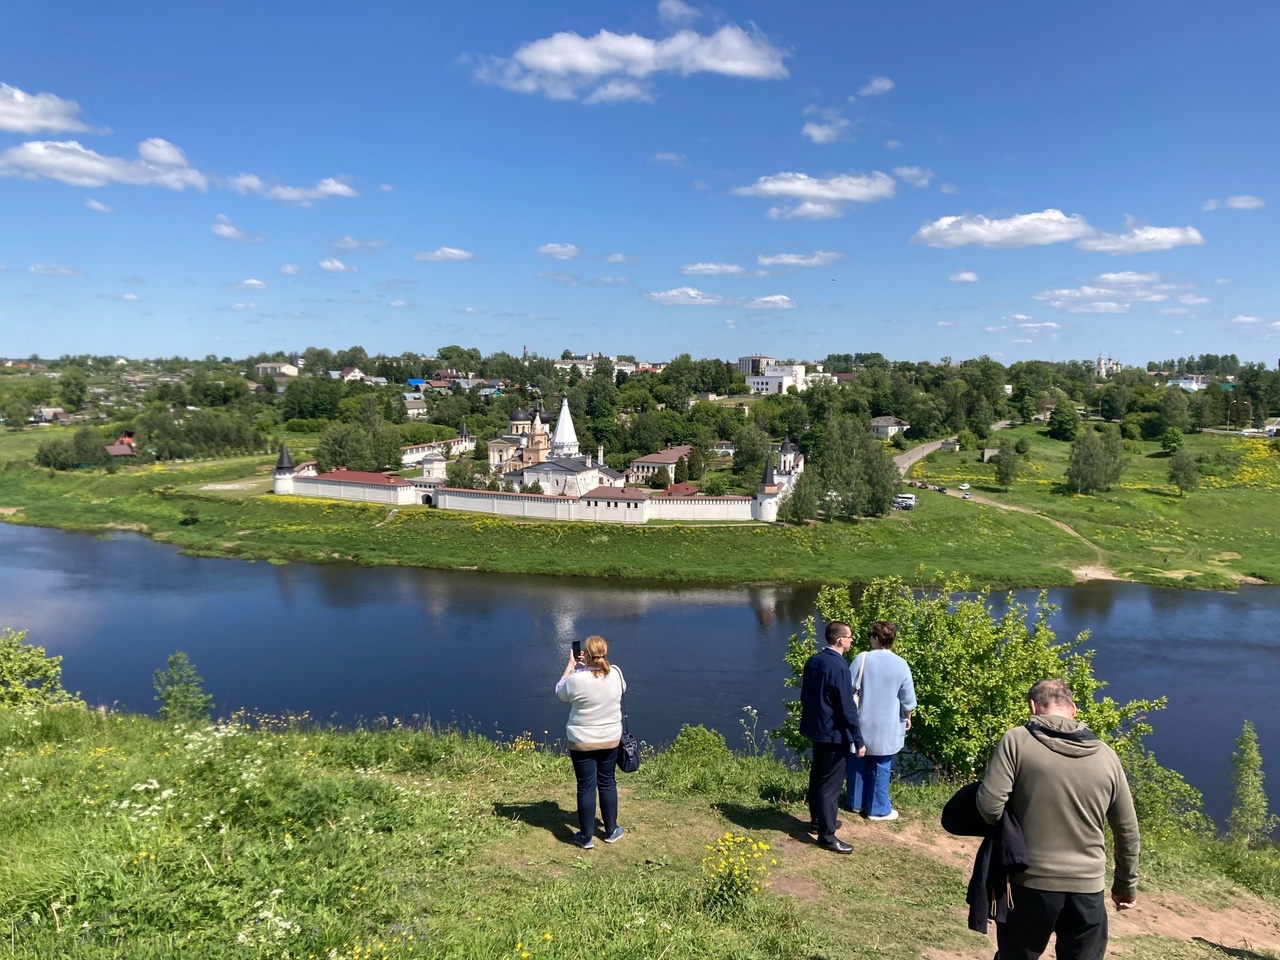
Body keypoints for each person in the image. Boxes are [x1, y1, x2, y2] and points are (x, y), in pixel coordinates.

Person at [977, 679, 1140, 960]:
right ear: (1073, 709)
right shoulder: (1107, 756)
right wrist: (1125, 886)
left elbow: (990, 807)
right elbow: (1127, 830)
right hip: (1087, 888)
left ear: (1032, 707)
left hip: (1029, 883)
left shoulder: (1017, 740)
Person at [799, 620, 866, 854]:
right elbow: (847, 707)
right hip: (834, 734)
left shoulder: (814, 661)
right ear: (839, 640)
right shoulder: (839, 667)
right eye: (849, 637)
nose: (851, 640)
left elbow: (805, 697)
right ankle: (827, 835)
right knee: (830, 785)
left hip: (817, 730)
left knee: (817, 776)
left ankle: (818, 821)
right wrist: (858, 739)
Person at [555, 635, 626, 850]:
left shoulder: (576, 679)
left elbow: (560, 692)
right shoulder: (615, 673)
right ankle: (611, 830)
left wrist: (571, 666)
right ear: (604, 652)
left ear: (584, 654)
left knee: (585, 786)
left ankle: (586, 837)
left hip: (582, 741)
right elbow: (622, 688)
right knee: (607, 782)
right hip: (610, 739)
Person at [845, 620, 916, 822]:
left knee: (857, 761)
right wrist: (907, 717)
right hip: (888, 724)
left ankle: (855, 801)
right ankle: (877, 808)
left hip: (861, 721)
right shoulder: (901, 664)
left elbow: (848, 688)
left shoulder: (862, 658)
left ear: (876, 639)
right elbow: (908, 699)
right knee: (882, 764)